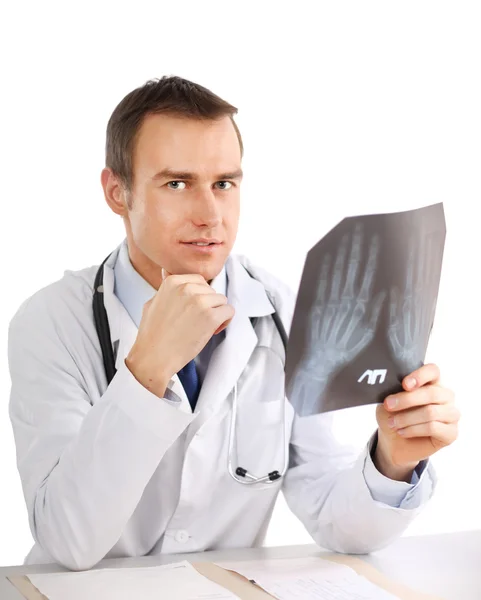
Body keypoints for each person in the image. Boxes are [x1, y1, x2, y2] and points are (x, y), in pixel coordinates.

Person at [8, 76, 459, 572]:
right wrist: (145, 374)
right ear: (118, 192)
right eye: (176, 184)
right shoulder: (51, 323)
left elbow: (335, 517)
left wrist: (392, 460)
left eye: (224, 183)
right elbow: (68, 539)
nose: (209, 215)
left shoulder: (281, 312)